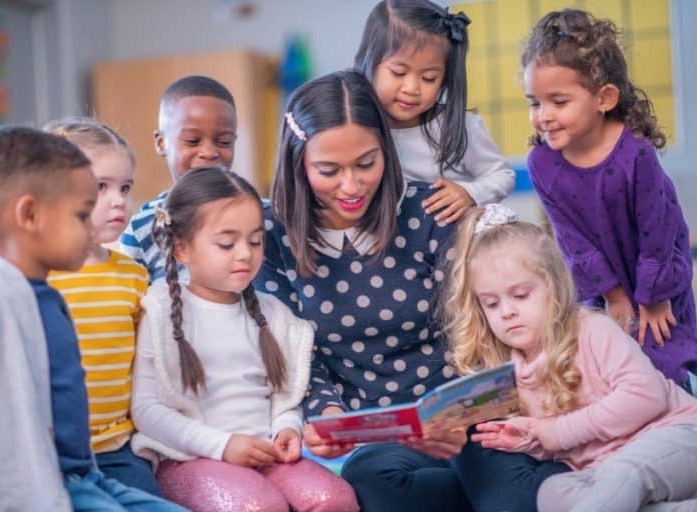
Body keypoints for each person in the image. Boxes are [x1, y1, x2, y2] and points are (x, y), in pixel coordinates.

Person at [256, 69, 560, 511]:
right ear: (298, 162)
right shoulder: (271, 234)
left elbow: (470, 329)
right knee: (375, 482)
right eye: (328, 170)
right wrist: (329, 417)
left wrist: (458, 416)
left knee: (505, 488)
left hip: (462, 415)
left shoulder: (428, 211)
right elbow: (294, 350)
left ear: (387, 150)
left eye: (366, 163)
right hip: (377, 436)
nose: (351, 185)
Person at [0, 126, 188, 511]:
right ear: (30, 215)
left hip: (85, 476)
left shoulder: (49, 298)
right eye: (81, 215)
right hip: (36, 490)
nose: (91, 228)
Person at [130, 167, 359, 512]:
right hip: (188, 459)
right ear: (181, 248)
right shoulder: (159, 311)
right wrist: (222, 445)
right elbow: (146, 410)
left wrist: (287, 428)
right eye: (226, 243)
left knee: (334, 499)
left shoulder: (274, 315)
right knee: (257, 506)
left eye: (254, 241)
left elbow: (285, 396)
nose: (244, 254)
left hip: (266, 455)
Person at [445, 203, 697, 511]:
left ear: (554, 288)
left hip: (676, 436)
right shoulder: (509, 372)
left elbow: (647, 396)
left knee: (623, 475)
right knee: (551, 492)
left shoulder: (592, 329)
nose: (507, 311)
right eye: (492, 304)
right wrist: (531, 440)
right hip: (602, 470)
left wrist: (553, 433)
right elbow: (556, 444)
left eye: (520, 295)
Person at [522, 8, 697, 387]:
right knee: (605, 365)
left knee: (664, 357)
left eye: (559, 102)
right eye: (535, 103)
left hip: (656, 269)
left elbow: (659, 230)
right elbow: (573, 241)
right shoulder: (541, 164)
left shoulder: (636, 154)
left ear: (604, 98)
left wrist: (655, 296)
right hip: (601, 282)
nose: (543, 116)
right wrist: (613, 296)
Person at [44, 118, 159, 496]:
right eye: (101, 187)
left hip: (117, 449)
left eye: (125, 188)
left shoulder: (134, 277)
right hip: (52, 452)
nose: (119, 201)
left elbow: (149, 366)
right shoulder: (42, 276)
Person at [354, 0, 514, 225]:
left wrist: (469, 193)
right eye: (399, 73)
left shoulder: (458, 127)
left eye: (429, 78)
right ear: (367, 61)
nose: (411, 88)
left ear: (445, 81)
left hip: (459, 246)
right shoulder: (357, 128)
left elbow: (503, 176)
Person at [120, 75, 237, 283]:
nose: (209, 152)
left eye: (224, 141)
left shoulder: (262, 216)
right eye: (193, 141)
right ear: (161, 143)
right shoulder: (141, 229)